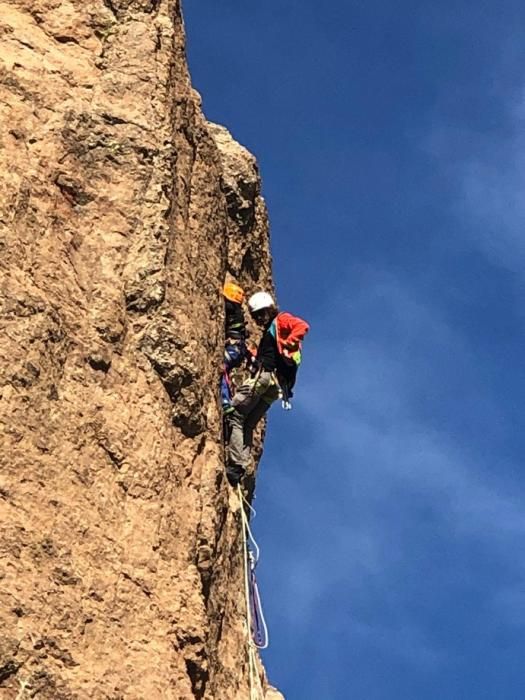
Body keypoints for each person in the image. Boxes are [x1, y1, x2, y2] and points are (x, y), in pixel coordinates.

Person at [226, 291, 310, 486]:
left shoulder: (281, 320)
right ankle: (239, 467)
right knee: (247, 424)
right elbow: (267, 353)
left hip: (266, 378)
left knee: (235, 415)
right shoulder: (271, 332)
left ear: (266, 310)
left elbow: (302, 326)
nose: (257, 321)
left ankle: (236, 464)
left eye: (258, 316)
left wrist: (291, 341)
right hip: (275, 388)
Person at [221, 282, 248, 415]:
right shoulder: (238, 311)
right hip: (239, 349)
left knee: (223, 368)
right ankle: (228, 398)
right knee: (226, 370)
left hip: (234, 348)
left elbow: (226, 305)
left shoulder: (230, 307)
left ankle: (225, 402)